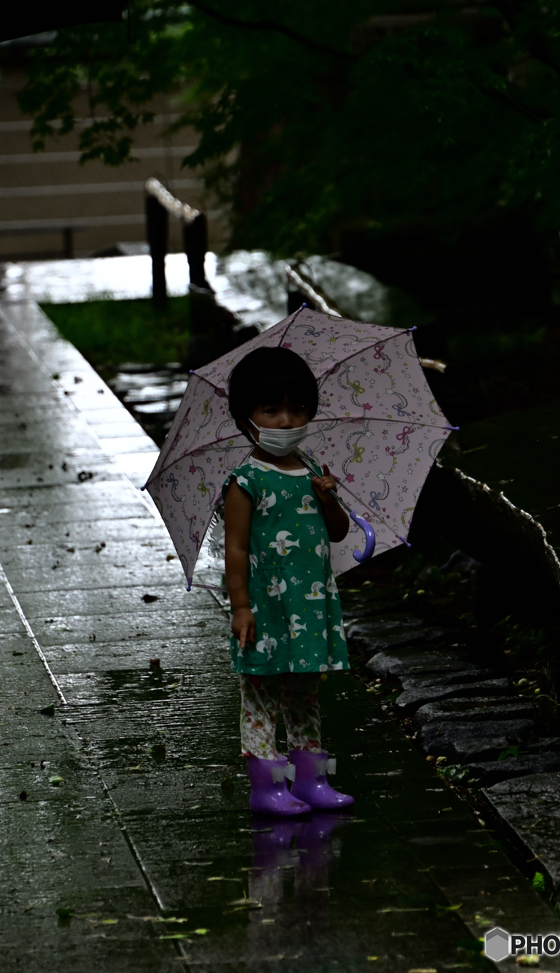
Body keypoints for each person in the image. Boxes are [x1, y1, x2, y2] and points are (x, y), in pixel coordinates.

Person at [223, 346, 354, 816]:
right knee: (262, 693)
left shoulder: (314, 470)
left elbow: (337, 533)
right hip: (266, 608)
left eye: (297, 409)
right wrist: (240, 606)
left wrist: (330, 499)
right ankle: (267, 784)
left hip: (309, 607)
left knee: (304, 693)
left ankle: (311, 778)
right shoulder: (245, 481)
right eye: (271, 410)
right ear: (247, 418)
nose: (286, 420)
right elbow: (235, 549)